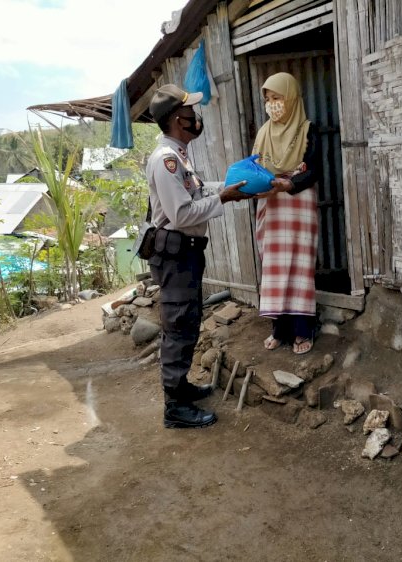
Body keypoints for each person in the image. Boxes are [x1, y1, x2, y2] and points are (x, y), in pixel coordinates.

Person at [146, 84, 251, 429]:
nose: (196, 118)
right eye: (190, 113)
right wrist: (223, 198)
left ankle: (182, 388)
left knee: (186, 322)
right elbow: (181, 214)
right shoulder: (167, 161)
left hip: (184, 254)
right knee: (179, 326)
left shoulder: (178, 156)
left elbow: (198, 192)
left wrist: (228, 187)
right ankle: (174, 407)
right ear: (179, 120)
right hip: (175, 254)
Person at [252, 72, 320, 355]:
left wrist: (290, 183)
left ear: (291, 98)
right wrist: (255, 183)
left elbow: (314, 170)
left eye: (277, 98)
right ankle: (279, 329)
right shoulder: (263, 132)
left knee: (299, 267)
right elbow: (254, 167)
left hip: (298, 201)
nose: (272, 104)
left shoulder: (307, 129)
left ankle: (304, 330)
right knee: (275, 268)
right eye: (268, 99)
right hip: (272, 203)